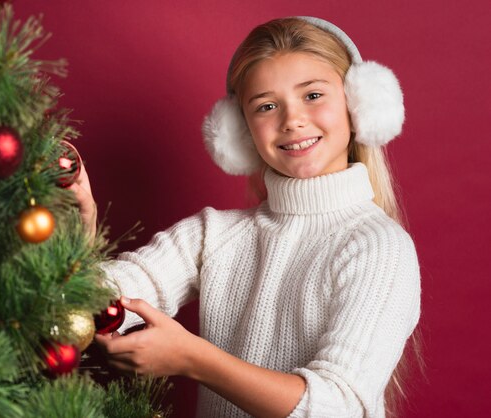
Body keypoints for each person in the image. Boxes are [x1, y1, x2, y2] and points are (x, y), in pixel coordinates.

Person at [72, 16, 421, 418]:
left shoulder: (378, 247)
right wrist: (83, 231)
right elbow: (102, 304)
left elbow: (337, 406)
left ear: (360, 104)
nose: (292, 120)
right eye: (267, 106)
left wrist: (195, 360)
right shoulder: (214, 236)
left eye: (312, 95)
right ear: (241, 133)